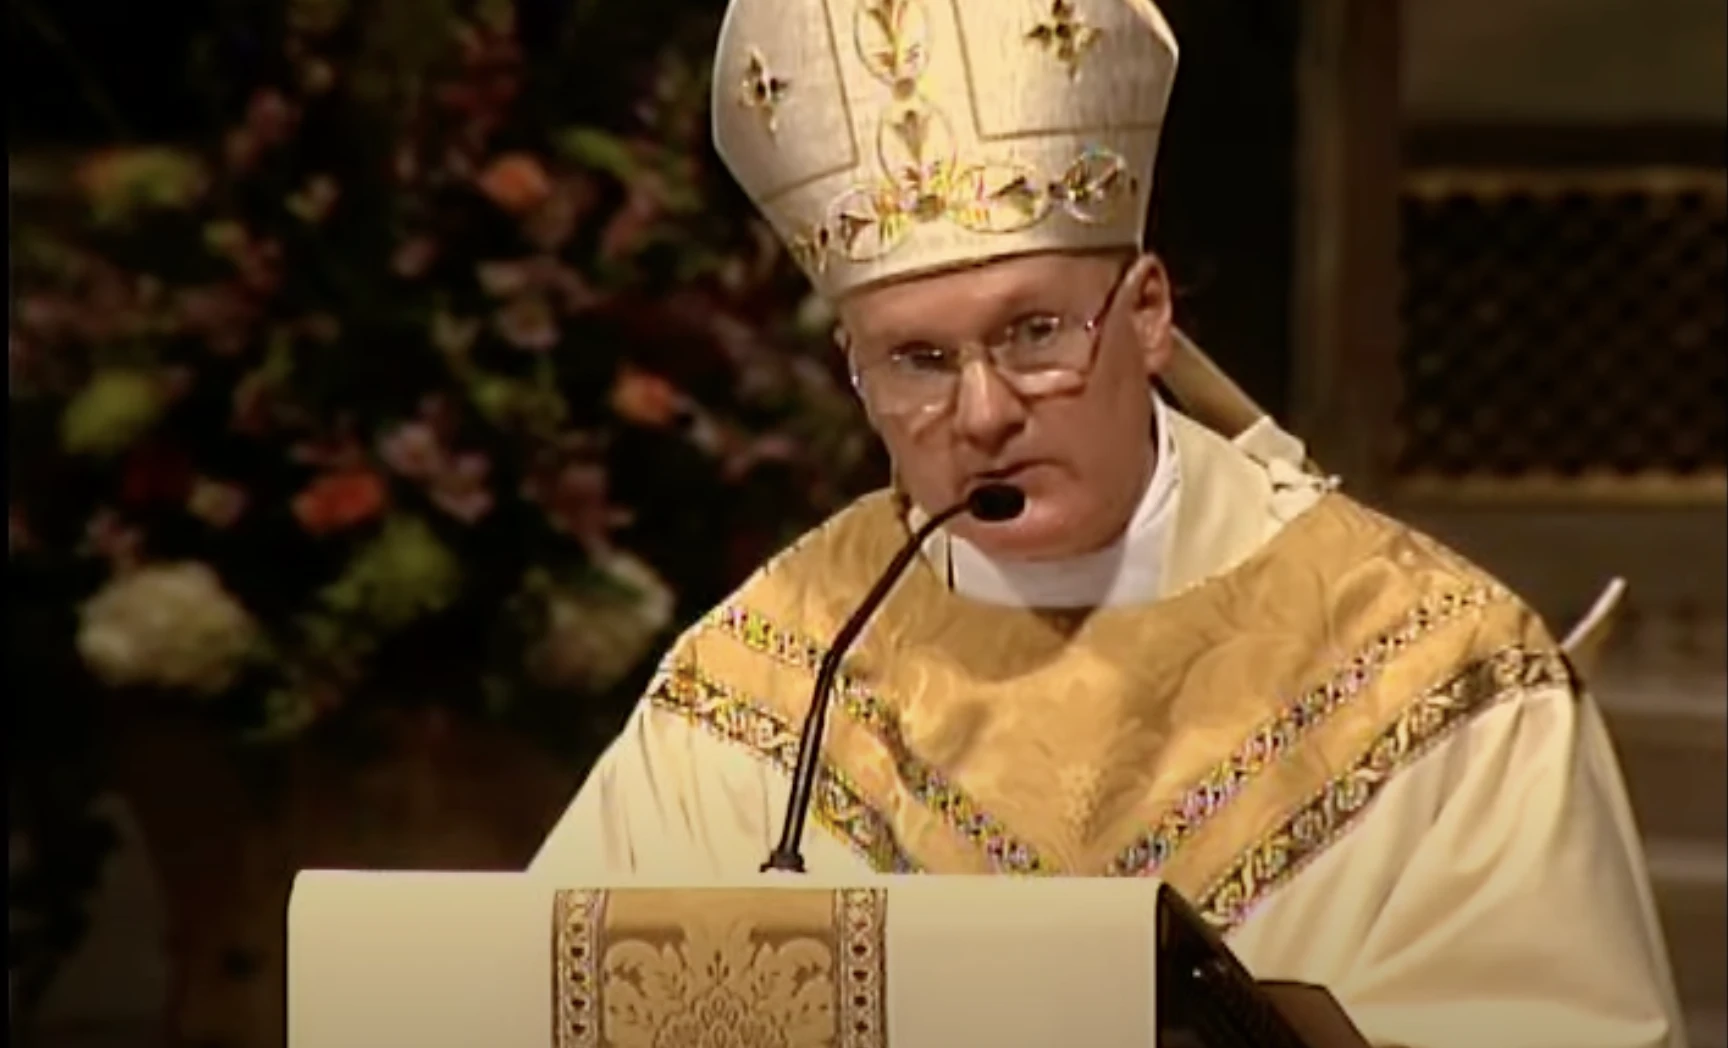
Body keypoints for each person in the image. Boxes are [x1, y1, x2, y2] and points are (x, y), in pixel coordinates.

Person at [530, 1, 1686, 1045]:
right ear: (853, 370)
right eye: (918, 361)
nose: (980, 414)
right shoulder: (767, 687)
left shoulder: (1440, 674)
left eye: (1034, 334)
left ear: (1145, 315)